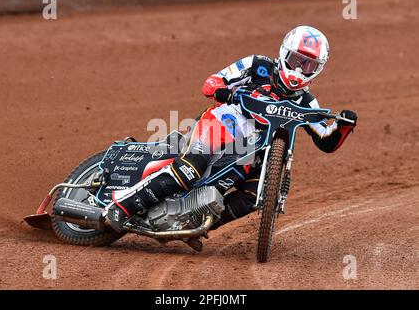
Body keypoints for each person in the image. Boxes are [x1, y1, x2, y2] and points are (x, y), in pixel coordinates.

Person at [105, 25, 358, 233]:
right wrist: (222, 91)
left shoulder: (306, 101)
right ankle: (121, 207)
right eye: (297, 60)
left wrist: (343, 126)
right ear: (284, 53)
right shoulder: (258, 65)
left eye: (309, 65)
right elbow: (212, 82)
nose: (301, 70)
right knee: (191, 169)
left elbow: (325, 139)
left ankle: (193, 225)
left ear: (319, 69)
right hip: (222, 123)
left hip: (254, 152)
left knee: (251, 198)